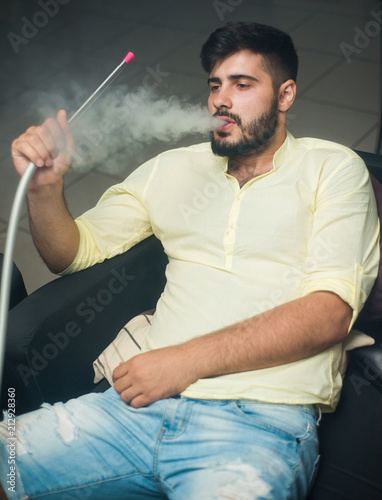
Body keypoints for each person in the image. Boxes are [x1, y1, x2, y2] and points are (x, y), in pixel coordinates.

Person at [0, 21, 379, 500]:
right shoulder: (171, 169)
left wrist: (183, 361)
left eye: (243, 85)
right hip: (132, 411)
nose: (222, 99)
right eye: (215, 85)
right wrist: (45, 189)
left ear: (285, 95)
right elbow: (69, 254)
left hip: (256, 428)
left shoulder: (333, 169)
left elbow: (330, 313)